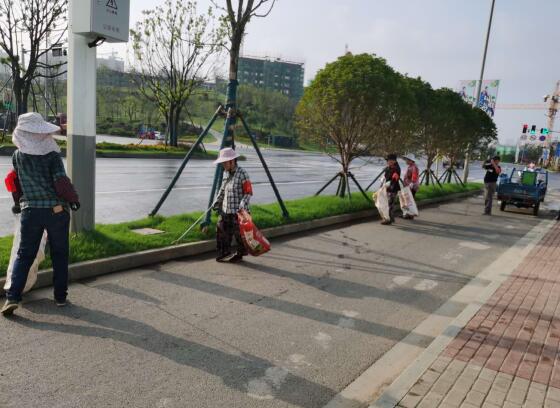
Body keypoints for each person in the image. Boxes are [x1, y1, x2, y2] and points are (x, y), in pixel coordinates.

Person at [2, 112, 80, 317]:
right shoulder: (52, 155)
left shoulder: (17, 156)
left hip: (30, 212)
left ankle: (12, 297)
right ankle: (60, 297)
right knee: (59, 254)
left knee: (24, 254)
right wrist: (73, 199)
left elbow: (17, 182)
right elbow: (61, 182)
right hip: (56, 211)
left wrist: (18, 203)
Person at [213, 147, 253, 263]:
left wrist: (242, 203)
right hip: (226, 210)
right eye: (222, 163)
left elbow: (248, 192)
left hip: (239, 212)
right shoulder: (225, 173)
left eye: (225, 162)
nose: (223, 165)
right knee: (221, 231)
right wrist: (217, 201)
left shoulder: (242, 173)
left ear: (232, 161)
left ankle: (240, 254)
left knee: (239, 235)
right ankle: (224, 252)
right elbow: (222, 189)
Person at [380, 154, 401, 225]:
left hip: (393, 188)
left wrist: (389, 183)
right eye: (387, 161)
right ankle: (390, 218)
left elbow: (395, 179)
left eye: (389, 160)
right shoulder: (389, 167)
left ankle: (388, 219)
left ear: (393, 161)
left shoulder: (396, 169)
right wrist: (383, 179)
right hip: (387, 187)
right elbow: (385, 176)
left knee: (390, 204)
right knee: (388, 203)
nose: (388, 162)